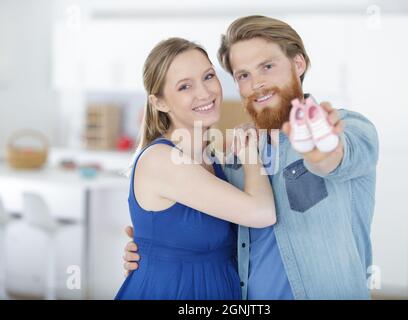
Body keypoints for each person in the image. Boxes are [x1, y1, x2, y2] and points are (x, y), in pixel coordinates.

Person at [123, 16, 379, 300]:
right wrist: (156, 250)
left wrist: (320, 150)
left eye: (267, 67)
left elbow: (334, 158)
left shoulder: (350, 127)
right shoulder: (234, 159)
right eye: (243, 75)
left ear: (298, 64)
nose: (256, 83)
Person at [115, 37, 276, 300]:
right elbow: (262, 212)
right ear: (159, 103)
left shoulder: (213, 159)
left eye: (208, 76)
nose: (204, 92)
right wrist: (250, 154)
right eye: (184, 86)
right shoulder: (161, 160)